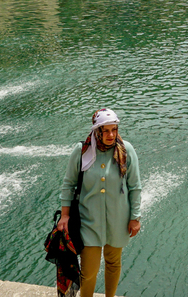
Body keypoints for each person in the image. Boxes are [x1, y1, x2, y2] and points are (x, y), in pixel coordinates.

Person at [58, 109, 141, 297]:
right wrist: (64, 215)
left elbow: (135, 187)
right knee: (89, 271)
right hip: (89, 222)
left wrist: (135, 217)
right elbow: (68, 184)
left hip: (118, 220)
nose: (111, 135)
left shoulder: (126, 150)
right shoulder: (81, 151)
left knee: (113, 264)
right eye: (105, 131)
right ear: (97, 131)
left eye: (114, 129)